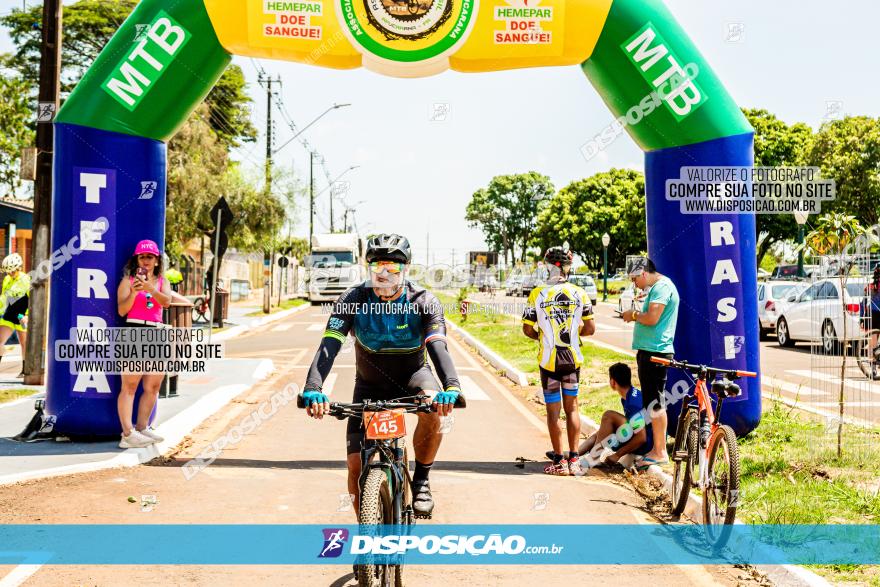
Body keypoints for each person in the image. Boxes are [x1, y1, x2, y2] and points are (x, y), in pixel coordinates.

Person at [302, 233, 462, 518]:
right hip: (368, 385)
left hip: (413, 376)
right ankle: (368, 535)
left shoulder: (424, 301)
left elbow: (438, 346)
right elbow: (329, 345)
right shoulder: (353, 299)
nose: (385, 274)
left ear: (407, 269)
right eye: (378, 267)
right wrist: (313, 387)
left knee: (434, 410)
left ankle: (422, 480)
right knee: (354, 467)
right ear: (369, 269)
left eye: (393, 267)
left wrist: (451, 385)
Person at [522, 246, 595, 476]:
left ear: (546, 267)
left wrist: (542, 336)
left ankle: (559, 462)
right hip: (572, 361)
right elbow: (591, 329)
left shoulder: (537, 294)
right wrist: (574, 334)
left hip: (548, 362)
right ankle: (574, 459)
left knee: (553, 412)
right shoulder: (579, 293)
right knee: (572, 409)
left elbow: (527, 329)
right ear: (566, 268)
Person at [622, 257, 679, 467]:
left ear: (644, 273)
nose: (634, 283)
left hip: (656, 353)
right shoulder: (657, 288)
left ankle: (660, 451)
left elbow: (652, 318)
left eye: (634, 278)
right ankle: (658, 448)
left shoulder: (662, 287)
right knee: (652, 401)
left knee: (655, 402)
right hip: (650, 352)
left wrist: (633, 314)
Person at [116, 240, 173, 449]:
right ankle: (127, 433)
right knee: (129, 386)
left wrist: (150, 288)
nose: (146, 261)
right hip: (135, 331)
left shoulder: (162, 281)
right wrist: (134, 292)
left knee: (153, 386)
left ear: (157, 261)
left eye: (150, 257)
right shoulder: (127, 281)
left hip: (156, 332)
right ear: (137, 260)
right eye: (142, 257)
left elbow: (166, 303)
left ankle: (142, 428)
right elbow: (122, 311)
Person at [578, 363, 653, 471]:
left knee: (609, 416)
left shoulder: (632, 402)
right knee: (599, 435)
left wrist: (617, 455)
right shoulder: (629, 395)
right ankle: (574, 455)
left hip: (647, 443)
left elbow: (642, 437)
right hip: (641, 437)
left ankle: (594, 458)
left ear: (613, 382)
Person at [0, 254, 30, 378]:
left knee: (24, 343)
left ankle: (25, 370)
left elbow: (32, 299)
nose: (10, 274)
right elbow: (4, 298)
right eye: (8, 271)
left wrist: (27, 315)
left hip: (21, 315)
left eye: (12, 271)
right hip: (9, 314)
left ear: (18, 268)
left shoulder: (26, 279)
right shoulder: (7, 279)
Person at [864, 266, 880, 354]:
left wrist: (862, 318)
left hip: (872, 315)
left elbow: (863, 303)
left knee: (872, 344)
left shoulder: (869, 287)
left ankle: (872, 365)